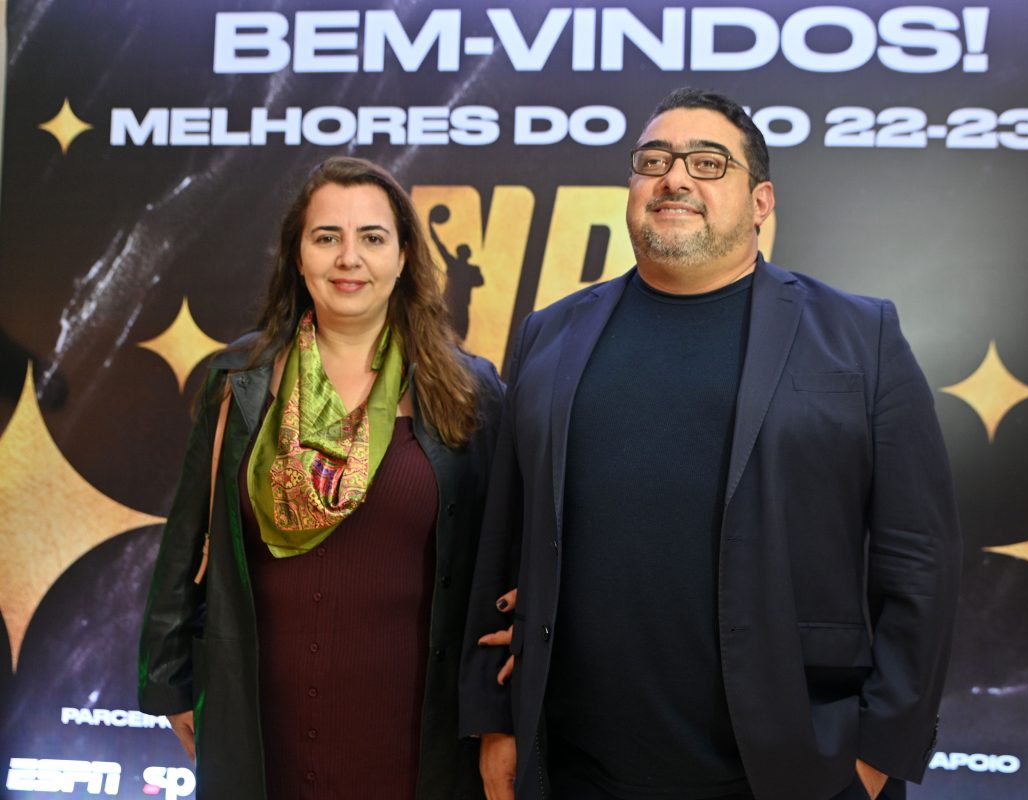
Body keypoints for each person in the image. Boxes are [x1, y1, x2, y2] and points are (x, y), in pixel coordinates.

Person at [459, 88, 962, 800]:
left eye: (708, 162)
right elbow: (504, 537)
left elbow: (920, 561)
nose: (674, 177)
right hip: (579, 769)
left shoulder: (860, 337)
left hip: (794, 770)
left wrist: (879, 753)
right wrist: (496, 718)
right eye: (654, 160)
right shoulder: (551, 333)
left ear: (761, 202)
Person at [139, 156, 503, 800]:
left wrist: (499, 713)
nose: (348, 258)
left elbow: (502, 564)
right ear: (297, 256)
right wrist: (169, 682)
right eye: (327, 236)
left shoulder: (468, 392)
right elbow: (185, 544)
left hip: (416, 735)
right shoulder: (239, 381)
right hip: (260, 727)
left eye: (372, 238)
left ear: (404, 257)